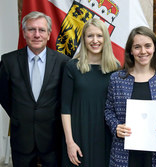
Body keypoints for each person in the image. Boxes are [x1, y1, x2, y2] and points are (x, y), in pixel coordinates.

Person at [0, 11, 70, 166]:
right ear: (24, 33)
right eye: (32, 29)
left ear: (49, 33)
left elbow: (65, 97)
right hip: (22, 138)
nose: (37, 34)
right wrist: (20, 113)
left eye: (42, 30)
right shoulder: (8, 61)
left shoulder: (63, 62)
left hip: (52, 138)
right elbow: (3, 95)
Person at [104, 26, 156, 167]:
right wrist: (116, 127)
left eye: (147, 46)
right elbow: (108, 110)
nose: (143, 51)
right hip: (123, 153)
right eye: (137, 47)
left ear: (154, 48)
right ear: (130, 51)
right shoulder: (117, 79)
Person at [61, 18, 120, 167]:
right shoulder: (72, 67)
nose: (95, 40)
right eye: (90, 36)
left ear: (105, 39)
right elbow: (65, 108)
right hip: (78, 134)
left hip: (106, 135)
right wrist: (70, 142)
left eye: (99, 36)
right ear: (84, 39)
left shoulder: (116, 68)